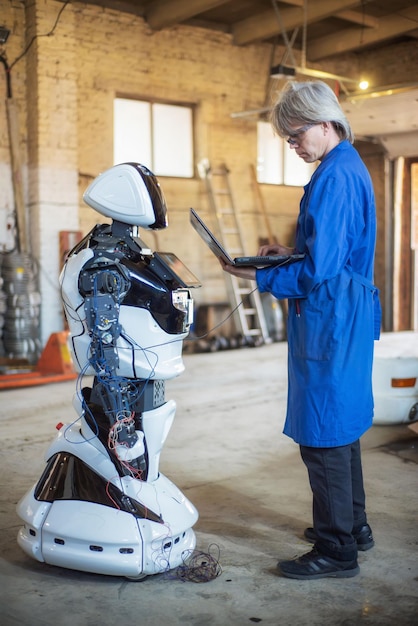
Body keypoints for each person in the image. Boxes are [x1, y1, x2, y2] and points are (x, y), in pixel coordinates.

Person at [219, 80, 381, 580]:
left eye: (295, 135)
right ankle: (353, 526)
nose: (292, 145)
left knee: (325, 432)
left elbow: (320, 271)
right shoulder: (343, 165)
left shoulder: (334, 177)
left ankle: (336, 550)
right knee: (343, 424)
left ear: (326, 123)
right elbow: (324, 251)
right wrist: (283, 254)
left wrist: (257, 273)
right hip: (344, 312)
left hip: (332, 315)